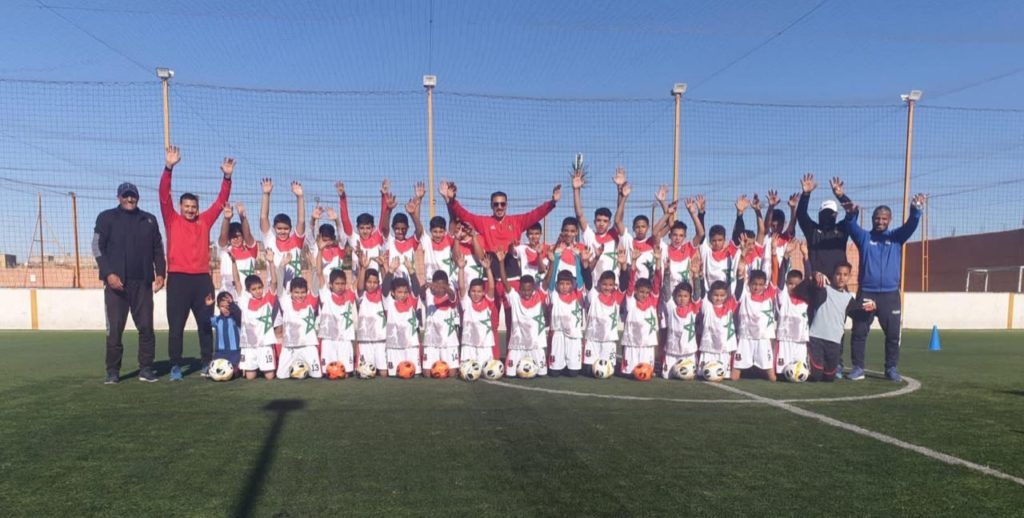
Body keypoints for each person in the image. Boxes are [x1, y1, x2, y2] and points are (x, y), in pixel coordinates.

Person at [439, 178, 559, 358]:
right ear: (491, 206)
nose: (499, 207)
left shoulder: (517, 221)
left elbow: (535, 214)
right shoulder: (484, 222)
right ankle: (493, 360)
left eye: (502, 204)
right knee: (492, 323)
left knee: (514, 322)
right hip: (491, 279)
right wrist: (452, 200)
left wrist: (552, 202)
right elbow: (464, 215)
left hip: (513, 280)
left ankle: (513, 359)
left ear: (507, 205)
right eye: (496, 204)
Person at [159, 146, 233, 380]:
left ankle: (206, 362)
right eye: (187, 206)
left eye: (194, 207)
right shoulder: (171, 219)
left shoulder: (205, 221)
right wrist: (168, 168)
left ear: (198, 209)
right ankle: (175, 365)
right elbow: (164, 195)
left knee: (204, 324)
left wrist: (227, 177)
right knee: (176, 327)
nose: (191, 210)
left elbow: (221, 202)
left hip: (202, 281)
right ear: (181, 207)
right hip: (178, 280)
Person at [844, 194, 926, 382]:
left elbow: (911, 225)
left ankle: (891, 368)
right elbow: (851, 226)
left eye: (884, 219)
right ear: (872, 219)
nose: (880, 222)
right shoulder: (864, 238)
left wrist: (916, 209)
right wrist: (850, 214)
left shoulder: (896, 237)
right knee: (859, 331)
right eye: (877, 218)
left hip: (890, 295)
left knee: (893, 335)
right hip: (867, 292)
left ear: (889, 220)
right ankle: (858, 368)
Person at [94, 181, 166, 383]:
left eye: (132, 195)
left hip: (142, 283)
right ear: (118, 197)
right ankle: (113, 371)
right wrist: (109, 274)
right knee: (115, 330)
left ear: (138, 197)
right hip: (116, 285)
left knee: (146, 327)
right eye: (125, 195)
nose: (129, 199)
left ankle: (146, 368)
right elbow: (97, 247)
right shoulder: (106, 217)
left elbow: (158, 249)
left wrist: (160, 273)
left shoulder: (149, 220)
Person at [789, 263, 874, 382]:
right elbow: (799, 291)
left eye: (845, 275)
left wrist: (871, 310)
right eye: (838, 274)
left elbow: (859, 316)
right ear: (833, 275)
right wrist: (812, 277)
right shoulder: (823, 289)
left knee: (829, 378)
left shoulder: (848, 299)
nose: (841, 277)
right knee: (816, 376)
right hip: (816, 339)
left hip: (834, 342)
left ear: (849, 277)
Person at [498, 258, 549, 377]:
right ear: (519, 289)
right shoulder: (515, 298)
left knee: (542, 374)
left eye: (529, 290)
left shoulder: (539, 296)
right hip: (517, 345)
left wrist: (551, 262)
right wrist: (501, 262)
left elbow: (547, 280)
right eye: (523, 290)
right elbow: (504, 281)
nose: (526, 293)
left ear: (533, 289)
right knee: (510, 374)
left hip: (536, 345)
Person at [795, 174, 853, 277]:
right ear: (819, 214)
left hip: (838, 282)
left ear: (836, 215)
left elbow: (852, 212)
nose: (827, 216)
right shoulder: (813, 231)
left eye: (831, 213)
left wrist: (841, 196)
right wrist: (806, 194)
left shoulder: (841, 230)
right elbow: (801, 215)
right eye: (825, 213)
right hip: (817, 282)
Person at [233, 250, 279, 380]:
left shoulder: (268, 300)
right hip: (249, 345)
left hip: (265, 344)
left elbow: (274, 282)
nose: (258, 291)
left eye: (260, 287)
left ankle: (263, 367)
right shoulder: (244, 301)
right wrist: (233, 262)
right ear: (248, 291)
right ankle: (255, 368)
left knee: (269, 376)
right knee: (250, 377)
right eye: (254, 289)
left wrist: (271, 262)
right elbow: (237, 281)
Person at [621, 246, 663, 377]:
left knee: (646, 374)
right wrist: (633, 262)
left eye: (647, 292)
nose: (644, 295)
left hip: (647, 344)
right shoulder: (631, 301)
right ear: (636, 291)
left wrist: (658, 261)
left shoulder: (652, 302)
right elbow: (630, 283)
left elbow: (657, 283)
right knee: (628, 373)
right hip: (632, 343)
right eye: (641, 292)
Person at [732, 269, 778, 382]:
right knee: (734, 377)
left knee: (772, 378)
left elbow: (776, 276)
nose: (757, 287)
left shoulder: (769, 295)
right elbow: (739, 288)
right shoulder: (745, 295)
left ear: (765, 285)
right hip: (745, 337)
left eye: (761, 285)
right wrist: (740, 276)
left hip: (763, 338)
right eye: (754, 284)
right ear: (749, 284)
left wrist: (777, 259)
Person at [314, 262, 358, 377]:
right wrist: (320, 253)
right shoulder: (326, 295)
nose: (340, 286)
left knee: (346, 374)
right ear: (330, 285)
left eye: (342, 283)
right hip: (328, 340)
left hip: (345, 339)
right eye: (337, 283)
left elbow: (358, 282)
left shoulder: (349, 295)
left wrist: (363, 267)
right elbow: (319, 274)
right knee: (327, 373)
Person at [260, 178, 306, 285]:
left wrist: (300, 197)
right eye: (279, 228)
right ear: (274, 228)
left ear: (290, 228)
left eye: (286, 229)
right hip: (275, 288)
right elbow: (263, 218)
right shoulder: (269, 240)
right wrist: (266, 194)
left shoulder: (296, 241)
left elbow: (301, 220)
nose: (282, 231)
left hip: (294, 290)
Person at [276, 276, 322, 380]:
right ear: (290, 292)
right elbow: (279, 285)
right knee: (281, 376)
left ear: (307, 291)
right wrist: (280, 268)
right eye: (296, 292)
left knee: (317, 376)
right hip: (289, 347)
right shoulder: (286, 302)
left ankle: (305, 368)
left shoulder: (311, 301)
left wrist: (315, 269)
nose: (300, 295)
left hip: (308, 346)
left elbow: (316, 282)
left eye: (302, 292)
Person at [459, 251, 499, 366]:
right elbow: (461, 286)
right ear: (469, 292)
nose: (476, 294)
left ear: (483, 292)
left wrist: (488, 269)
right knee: (467, 372)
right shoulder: (466, 303)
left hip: (485, 345)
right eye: (473, 291)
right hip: (468, 345)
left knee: (486, 370)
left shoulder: (488, 302)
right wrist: (461, 269)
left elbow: (491, 287)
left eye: (479, 291)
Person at [421, 269, 461, 376]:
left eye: (442, 286)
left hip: (449, 341)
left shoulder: (450, 296)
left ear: (447, 285)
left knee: (452, 373)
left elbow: (452, 295)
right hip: (431, 341)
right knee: (427, 374)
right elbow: (421, 294)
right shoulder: (429, 295)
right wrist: (425, 286)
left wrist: (445, 287)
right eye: (437, 286)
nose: (439, 289)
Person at [355, 250, 388, 376]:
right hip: (365, 340)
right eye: (369, 282)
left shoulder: (382, 294)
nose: (372, 285)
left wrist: (382, 266)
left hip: (381, 339)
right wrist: (363, 268)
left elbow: (386, 284)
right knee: (365, 372)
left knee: (383, 373)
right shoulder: (361, 295)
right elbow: (359, 287)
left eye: (375, 282)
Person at [698, 281, 738, 382]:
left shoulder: (729, 306)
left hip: (724, 348)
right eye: (716, 295)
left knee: (725, 376)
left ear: (726, 295)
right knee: (703, 374)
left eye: (722, 295)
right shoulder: (707, 306)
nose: (719, 298)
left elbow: (738, 292)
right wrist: (700, 278)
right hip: (709, 347)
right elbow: (702, 292)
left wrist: (740, 278)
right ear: (710, 295)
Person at [216, 202, 257, 297]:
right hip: (228, 298)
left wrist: (243, 217)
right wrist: (226, 219)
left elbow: (248, 234)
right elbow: (223, 236)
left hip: (248, 297)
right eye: (232, 236)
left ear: (243, 236)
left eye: (238, 236)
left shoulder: (251, 251)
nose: (236, 239)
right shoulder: (225, 251)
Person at [775, 269, 810, 379]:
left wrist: (806, 260)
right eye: (790, 284)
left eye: (797, 284)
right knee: (780, 374)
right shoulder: (783, 298)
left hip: (800, 341)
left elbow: (809, 280)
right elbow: (780, 281)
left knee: (801, 372)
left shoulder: (806, 300)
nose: (793, 287)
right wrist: (785, 261)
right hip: (784, 340)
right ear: (786, 284)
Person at [662, 281, 701, 380]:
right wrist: (666, 274)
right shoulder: (671, 308)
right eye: (679, 296)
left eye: (685, 296)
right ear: (675, 296)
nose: (682, 299)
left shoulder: (693, 308)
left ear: (690, 297)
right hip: (672, 351)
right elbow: (666, 291)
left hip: (688, 351)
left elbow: (697, 293)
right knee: (665, 376)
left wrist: (696, 277)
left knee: (689, 375)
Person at [208, 291, 242, 372]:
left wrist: (232, 304)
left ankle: (237, 370)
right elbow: (205, 319)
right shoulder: (216, 320)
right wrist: (208, 307)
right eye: (222, 306)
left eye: (228, 306)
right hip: (220, 352)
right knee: (214, 369)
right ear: (218, 307)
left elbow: (239, 314)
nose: (226, 309)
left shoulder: (236, 319)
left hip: (235, 352)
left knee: (232, 370)